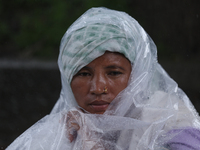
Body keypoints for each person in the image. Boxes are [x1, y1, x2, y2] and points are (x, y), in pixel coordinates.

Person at [6, 7, 200, 150]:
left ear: (137, 76)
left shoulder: (169, 120)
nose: (98, 88)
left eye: (114, 73)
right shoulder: (61, 132)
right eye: (83, 73)